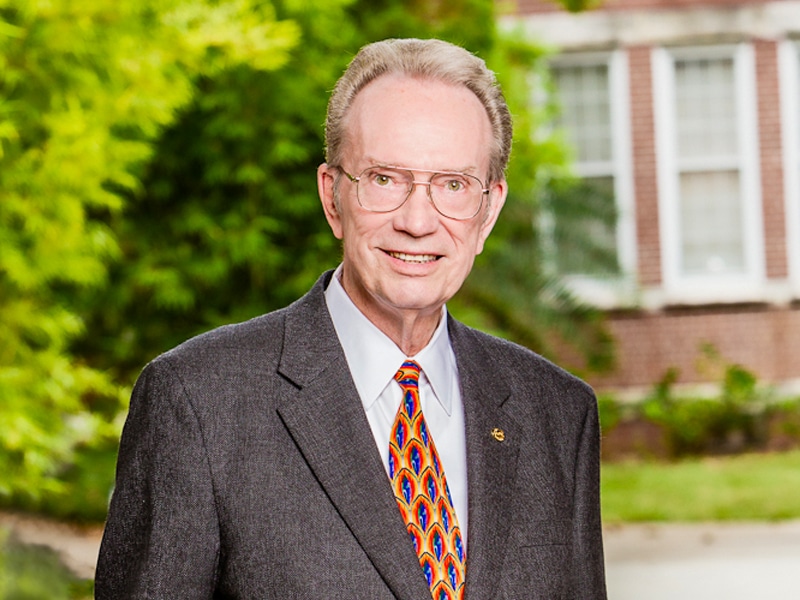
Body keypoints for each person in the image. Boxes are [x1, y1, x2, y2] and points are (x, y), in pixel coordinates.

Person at [95, 38, 607, 599]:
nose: (417, 221)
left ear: (488, 211)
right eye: (385, 179)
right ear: (333, 196)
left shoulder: (558, 414)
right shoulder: (197, 402)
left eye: (453, 185)